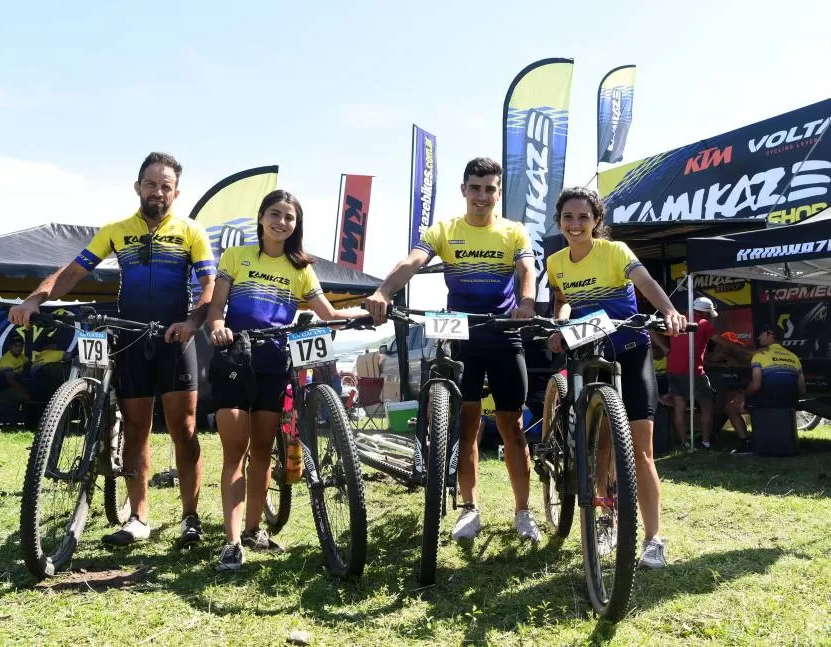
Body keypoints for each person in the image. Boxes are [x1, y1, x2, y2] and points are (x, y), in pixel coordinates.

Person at [8, 152, 216, 548]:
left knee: (184, 430)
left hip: (176, 338)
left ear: (176, 192)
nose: (158, 192)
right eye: (151, 184)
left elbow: (209, 284)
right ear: (138, 187)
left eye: (166, 186)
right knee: (136, 430)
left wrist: (192, 322)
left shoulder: (191, 231)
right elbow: (72, 272)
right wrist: (34, 300)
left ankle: (190, 517)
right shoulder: (116, 230)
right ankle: (139, 517)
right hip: (132, 338)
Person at [364, 157, 539, 543]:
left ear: (497, 192)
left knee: (513, 427)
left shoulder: (514, 231)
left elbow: (528, 270)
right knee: (468, 426)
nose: (482, 196)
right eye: (475, 188)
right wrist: (383, 291)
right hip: (462, 337)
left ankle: (524, 512)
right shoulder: (444, 229)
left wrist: (527, 302)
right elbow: (413, 260)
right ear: (464, 190)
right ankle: (469, 508)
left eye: (489, 188)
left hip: (504, 332)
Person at [207, 189, 366, 572]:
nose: (281, 222)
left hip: (275, 364)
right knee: (236, 452)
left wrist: (361, 314)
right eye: (275, 214)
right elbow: (217, 305)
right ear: (261, 217)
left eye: (289, 217)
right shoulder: (236, 257)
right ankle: (231, 543)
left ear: (296, 225)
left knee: (262, 452)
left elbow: (325, 312)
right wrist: (216, 325)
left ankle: (253, 530)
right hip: (234, 357)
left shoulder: (301, 267)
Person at [545, 186, 686, 569]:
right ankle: (606, 519)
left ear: (596, 222)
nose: (575, 225)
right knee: (602, 447)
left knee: (641, 451)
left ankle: (653, 538)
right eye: (568, 217)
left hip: (630, 350)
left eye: (584, 217)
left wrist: (670, 311)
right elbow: (561, 301)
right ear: (559, 220)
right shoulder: (555, 261)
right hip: (588, 352)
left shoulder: (616, 252)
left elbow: (648, 286)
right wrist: (558, 327)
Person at [657, 296, 745, 450]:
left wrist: (665, 349)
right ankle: (705, 443)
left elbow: (651, 330)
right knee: (707, 405)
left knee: (679, 406)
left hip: (672, 370)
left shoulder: (678, 319)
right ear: (705, 313)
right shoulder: (704, 324)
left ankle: (684, 443)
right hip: (694, 371)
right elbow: (723, 342)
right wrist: (745, 352)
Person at [727, 323, 806, 439]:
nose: (758, 338)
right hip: (790, 402)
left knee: (731, 407)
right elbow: (802, 389)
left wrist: (743, 395)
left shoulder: (760, 355)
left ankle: (746, 442)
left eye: (761, 334)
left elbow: (756, 385)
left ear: (771, 334)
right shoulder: (794, 357)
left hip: (767, 401)